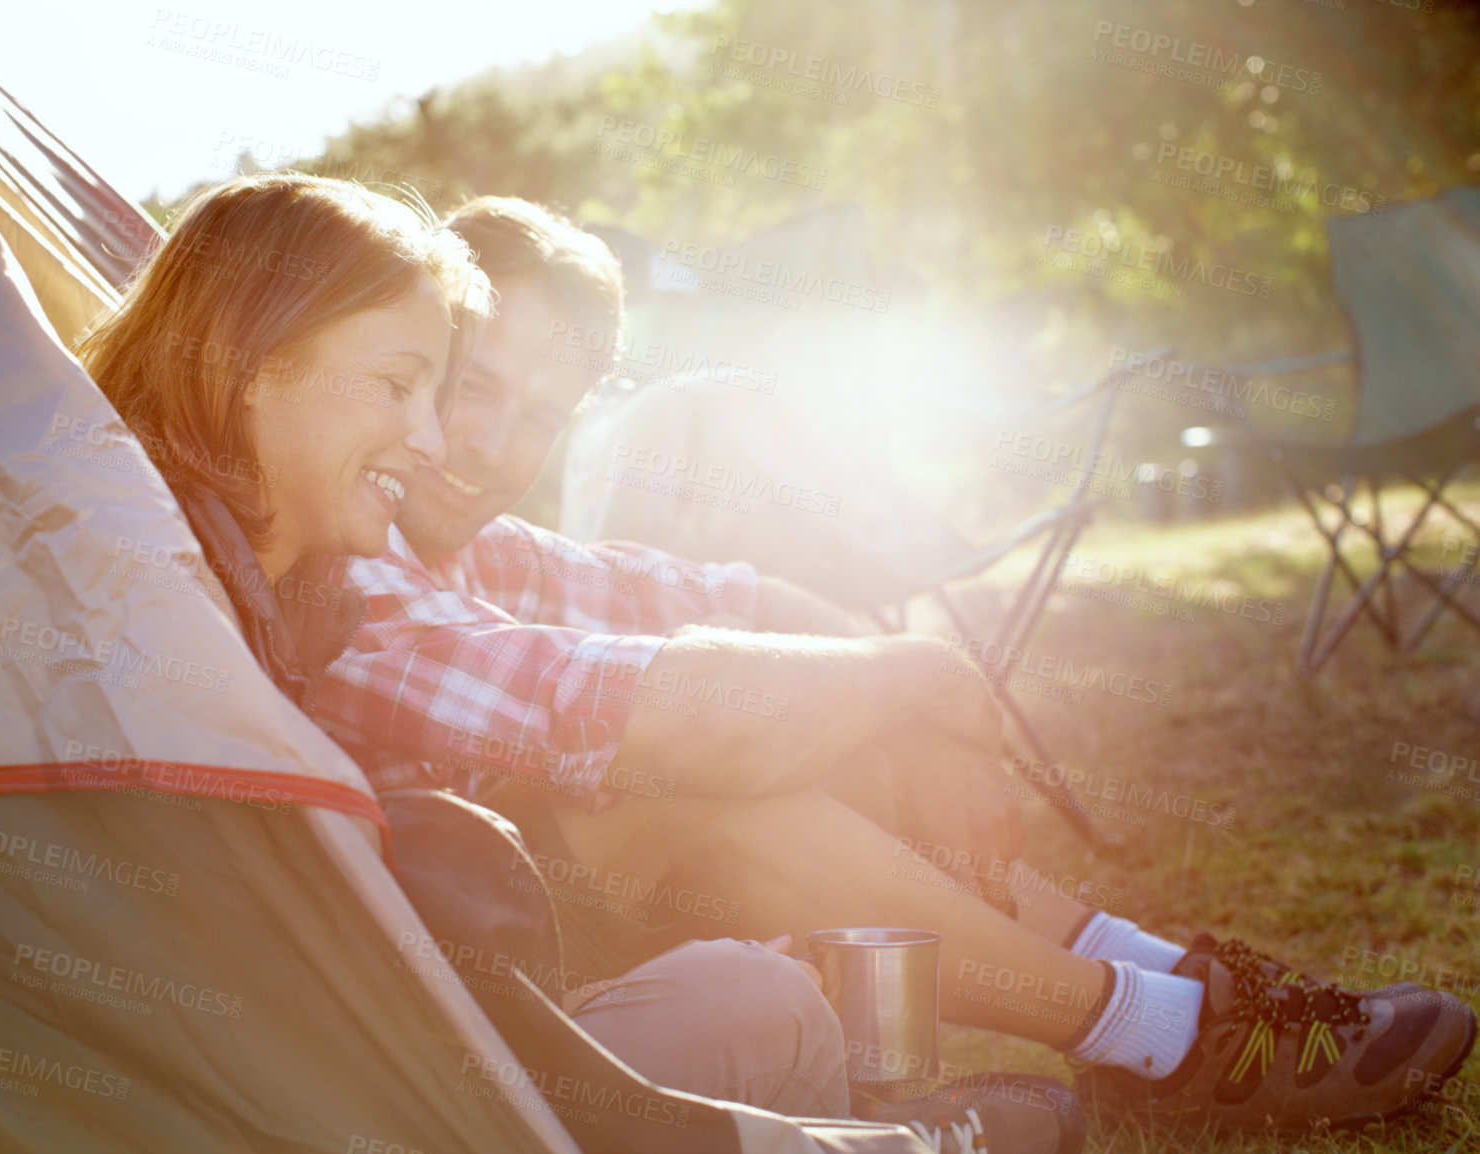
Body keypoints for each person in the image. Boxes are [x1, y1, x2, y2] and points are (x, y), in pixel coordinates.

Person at [307, 194, 1477, 1136]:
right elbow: (642, 710)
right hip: (438, 1027)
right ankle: (1173, 1038)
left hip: (547, 961)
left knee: (791, 697)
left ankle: (1172, 983)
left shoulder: (479, 552)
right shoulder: (340, 572)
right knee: (695, 763)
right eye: (473, 388)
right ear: (410, 362)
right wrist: (917, 675)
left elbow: (732, 596)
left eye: (539, 412)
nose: (491, 444)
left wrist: (902, 700)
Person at [75, 173, 959, 1151]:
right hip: (340, 1100)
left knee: (761, 988)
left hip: (405, 1050)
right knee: (767, 993)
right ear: (254, 363)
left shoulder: (279, 589)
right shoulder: (176, 621)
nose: (433, 437)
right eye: (400, 385)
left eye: (441, 391)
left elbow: (666, 594)